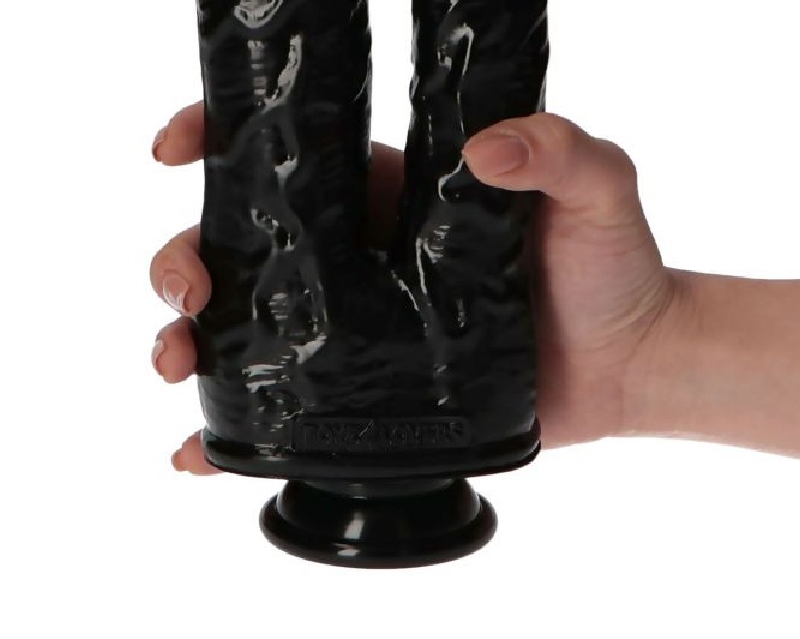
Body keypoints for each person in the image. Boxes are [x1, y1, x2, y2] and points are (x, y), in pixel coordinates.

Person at [149, 103, 800, 472]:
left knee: (273, 108)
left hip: (471, 379)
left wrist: (648, 349)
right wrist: (645, 351)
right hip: (479, 384)